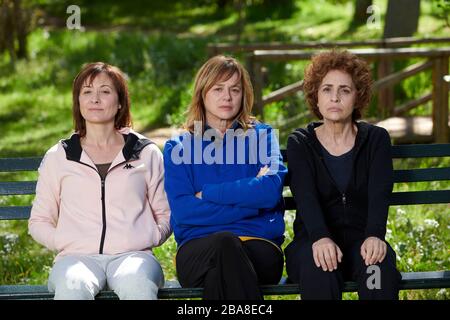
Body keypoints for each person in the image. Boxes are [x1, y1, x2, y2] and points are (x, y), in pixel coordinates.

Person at [28, 62, 171, 300]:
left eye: (105, 91)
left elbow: (165, 213)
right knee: (72, 287)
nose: (95, 99)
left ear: (120, 102)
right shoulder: (59, 156)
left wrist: (152, 237)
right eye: (87, 92)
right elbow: (39, 220)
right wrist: (63, 241)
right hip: (75, 258)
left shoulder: (145, 152)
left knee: (138, 286)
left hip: (134, 256)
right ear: (78, 102)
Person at [163, 55, 287, 300]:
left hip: (259, 248)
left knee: (222, 262)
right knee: (225, 244)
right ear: (202, 93)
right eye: (218, 89)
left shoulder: (262, 137)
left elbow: (270, 192)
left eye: (235, 89)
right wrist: (252, 202)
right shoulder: (178, 146)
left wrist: (208, 193)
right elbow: (184, 211)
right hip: (197, 250)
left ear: (244, 94)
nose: (227, 97)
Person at [285, 50, 401, 300]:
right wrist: (321, 237)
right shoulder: (301, 143)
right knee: (321, 270)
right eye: (326, 89)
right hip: (313, 243)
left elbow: (380, 193)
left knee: (378, 274)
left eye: (344, 90)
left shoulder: (376, 140)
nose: (334, 97)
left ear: (357, 96)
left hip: (364, 244)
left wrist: (374, 235)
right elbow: (305, 197)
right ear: (315, 96)